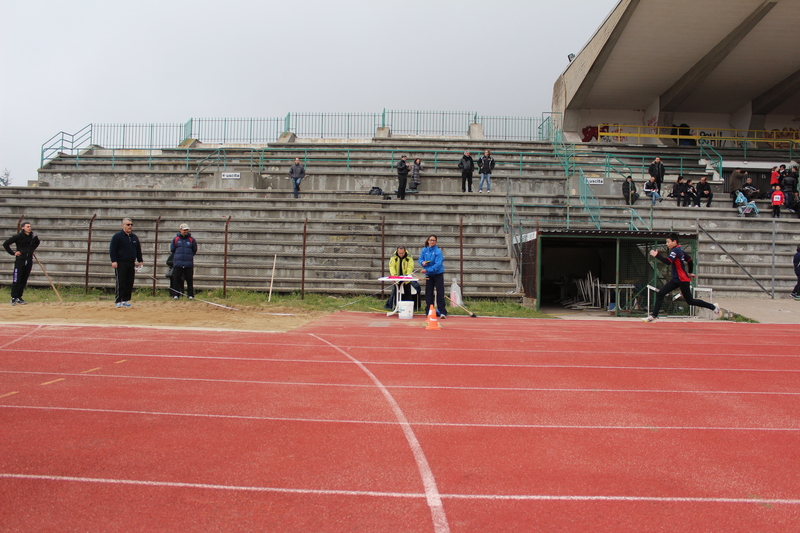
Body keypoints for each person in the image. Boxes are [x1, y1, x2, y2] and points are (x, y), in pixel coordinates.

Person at [642, 233, 720, 322]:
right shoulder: (680, 250)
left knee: (690, 301)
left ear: (674, 242)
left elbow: (668, 262)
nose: (666, 244)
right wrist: (690, 272)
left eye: (668, 242)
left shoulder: (676, 251)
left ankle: (713, 307)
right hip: (676, 280)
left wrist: (656, 255)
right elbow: (690, 260)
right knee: (660, 293)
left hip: (682, 280)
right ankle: (653, 316)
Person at [3, 221, 40, 306]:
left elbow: (37, 242)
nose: (29, 228)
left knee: (24, 279)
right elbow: (6, 244)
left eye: (30, 226)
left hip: (29, 259)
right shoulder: (18, 236)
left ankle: (19, 297)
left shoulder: (33, 236)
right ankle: (13, 297)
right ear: (23, 228)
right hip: (20, 260)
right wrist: (13, 253)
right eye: (27, 226)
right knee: (17, 279)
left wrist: (31, 250)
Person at [109, 218, 143, 308]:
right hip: (121, 262)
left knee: (129, 281)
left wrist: (140, 260)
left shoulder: (134, 237)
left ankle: (125, 300)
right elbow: (113, 250)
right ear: (123, 225)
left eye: (131, 224)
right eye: (128, 224)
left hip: (131, 262)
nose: (130, 226)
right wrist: (114, 261)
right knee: (121, 281)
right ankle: (118, 300)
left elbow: (138, 249)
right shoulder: (117, 237)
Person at [383, 246, 421, 310]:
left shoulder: (409, 257)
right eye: (399, 253)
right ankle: (394, 306)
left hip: (406, 278)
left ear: (405, 251)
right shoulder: (393, 257)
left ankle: (408, 307)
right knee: (395, 292)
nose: (401, 255)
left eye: (402, 253)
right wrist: (394, 275)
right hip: (397, 277)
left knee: (407, 292)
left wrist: (407, 275)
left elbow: (410, 266)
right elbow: (392, 266)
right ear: (397, 252)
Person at [419, 235, 446, 318]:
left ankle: (442, 311)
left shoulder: (438, 251)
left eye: (434, 240)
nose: (432, 241)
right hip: (429, 275)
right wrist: (423, 263)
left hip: (438, 274)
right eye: (430, 240)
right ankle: (429, 310)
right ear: (428, 241)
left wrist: (427, 270)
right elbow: (420, 259)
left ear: (436, 242)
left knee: (440, 292)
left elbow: (438, 264)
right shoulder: (424, 250)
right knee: (429, 292)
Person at [169, 223, 197, 299]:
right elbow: (173, 250)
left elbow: (194, 250)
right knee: (176, 279)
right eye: (184, 230)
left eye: (187, 230)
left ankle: (190, 294)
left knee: (189, 279)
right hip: (178, 263)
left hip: (188, 263)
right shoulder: (176, 239)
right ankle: (176, 294)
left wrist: (189, 257)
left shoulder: (192, 240)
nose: (186, 231)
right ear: (180, 230)